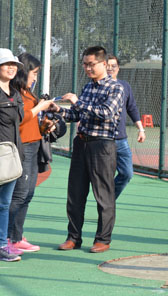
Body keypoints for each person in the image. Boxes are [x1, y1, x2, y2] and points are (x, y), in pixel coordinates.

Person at [52, 46, 124, 253]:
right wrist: (58, 111)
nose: (87, 68)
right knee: (75, 193)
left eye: (91, 64)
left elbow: (106, 113)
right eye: (84, 64)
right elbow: (77, 115)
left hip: (102, 145)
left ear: (104, 64)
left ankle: (103, 239)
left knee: (103, 195)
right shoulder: (87, 87)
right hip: (81, 143)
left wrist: (78, 102)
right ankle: (73, 238)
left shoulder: (115, 88)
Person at [8, 53, 54, 253]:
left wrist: (44, 125)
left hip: (34, 145)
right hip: (22, 147)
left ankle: (16, 237)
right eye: (34, 73)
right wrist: (39, 108)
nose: (35, 77)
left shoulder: (28, 92)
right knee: (18, 195)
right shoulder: (12, 92)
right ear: (24, 71)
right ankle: (7, 238)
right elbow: (17, 119)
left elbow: (30, 120)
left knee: (28, 194)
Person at [106, 55, 146, 199]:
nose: (110, 69)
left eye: (113, 66)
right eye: (107, 66)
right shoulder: (98, 86)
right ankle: (106, 205)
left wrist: (141, 129)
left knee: (127, 173)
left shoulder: (125, 86)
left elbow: (132, 108)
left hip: (121, 140)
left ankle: (109, 201)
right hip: (103, 140)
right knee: (105, 176)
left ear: (118, 68)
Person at [0, 49, 25, 262]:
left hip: (12, 157)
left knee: (4, 203)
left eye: (14, 64)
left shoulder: (16, 94)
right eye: (6, 64)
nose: (11, 68)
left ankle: (1, 245)